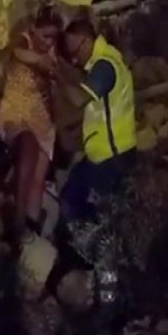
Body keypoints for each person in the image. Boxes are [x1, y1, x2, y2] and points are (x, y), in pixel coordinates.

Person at [58, 18, 136, 224]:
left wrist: (55, 72)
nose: (74, 60)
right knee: (73, 200)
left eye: (75, 52)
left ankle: (94, 251)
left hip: (111, 157)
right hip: (105, 154)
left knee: (101, 217)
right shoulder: (102, 63)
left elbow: (78, 100)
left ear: (87, 41)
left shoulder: (105, 66)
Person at [0, 4, 63, 243]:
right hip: (16, 113)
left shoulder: (53, 54)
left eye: (53, 37)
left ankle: (30, 234)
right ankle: (17, 219)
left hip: (43, 119)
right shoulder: (24, 40)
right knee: (28, 145)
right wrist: (39, 61)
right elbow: (17, 53)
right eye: (45, 36)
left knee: (38, 179)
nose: (48, 42)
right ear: (34, 30)